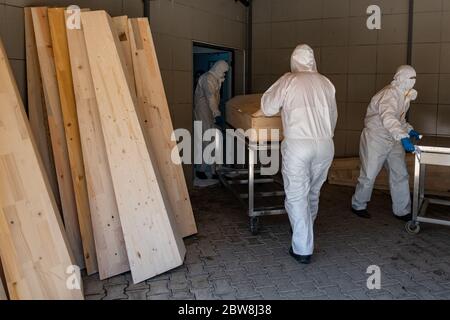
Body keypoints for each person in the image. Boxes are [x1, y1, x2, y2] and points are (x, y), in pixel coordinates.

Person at [260, 44, 338, 264]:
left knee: (296, 195)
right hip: (325, 144)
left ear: (294, 60)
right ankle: (304, 232)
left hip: (298, 145)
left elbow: (267, 108)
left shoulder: (289, 80)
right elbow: (333, 116)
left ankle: (303, 248)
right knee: (313, 193)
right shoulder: (326, 82)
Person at [351, 65, 420, 221]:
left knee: (400, 173)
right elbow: (388, 117)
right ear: (401, 77)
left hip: (393, 137)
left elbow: (398, 119)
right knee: (369, 173)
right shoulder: (389, 94)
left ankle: (402, 210)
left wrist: (408, 130)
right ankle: (358, 204)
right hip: (376, 137)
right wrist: (402, 136)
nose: (413, 81)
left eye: (414, 78)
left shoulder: (403, 95)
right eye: (410, 78)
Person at [193, 60, 229, 187]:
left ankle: (213, 169)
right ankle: (201, 170)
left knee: (213, 140)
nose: (224, 74)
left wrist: (215, 113)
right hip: (203, 111)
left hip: (209, 112)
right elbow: (210, 98)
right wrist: (217, 114)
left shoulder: (215, 78)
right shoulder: (208, 78)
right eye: (224, 71)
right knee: (205, 140)